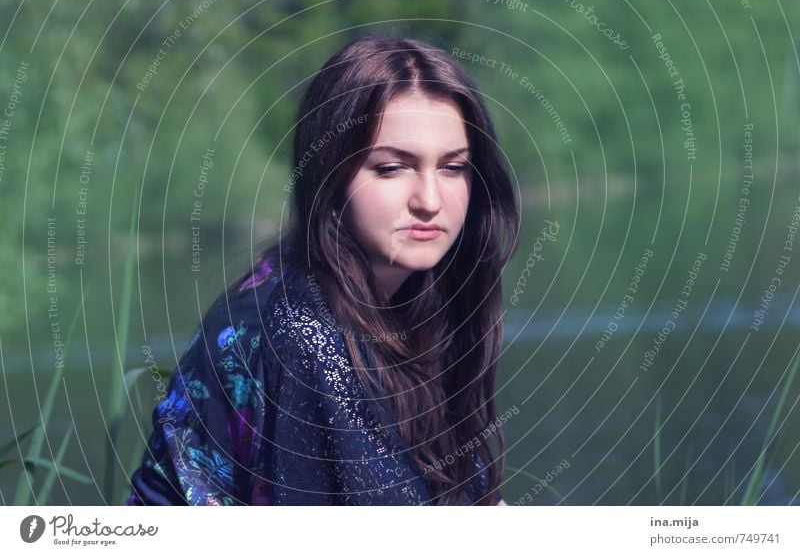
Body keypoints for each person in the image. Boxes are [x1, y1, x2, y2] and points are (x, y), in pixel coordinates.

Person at [125, 35, 519, 506]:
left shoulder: (416, 303)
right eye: (392, 168)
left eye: (453, 168)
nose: (430, 201)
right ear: (329, 176)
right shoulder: (298, 328)